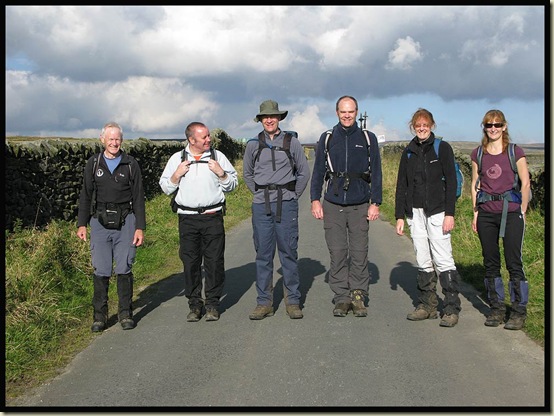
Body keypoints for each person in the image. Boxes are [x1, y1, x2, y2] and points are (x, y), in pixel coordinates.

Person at [310, 95, 382, 318]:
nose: (347, 115)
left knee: (360, 252)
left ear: (357, 112)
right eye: (343, 111)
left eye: (351, 111)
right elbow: (318, 172)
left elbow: (377, 173)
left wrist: (375, 203)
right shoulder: (328, 138)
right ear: (337, 113)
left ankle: (358, 295)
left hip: (360, 203)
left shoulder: (368, 138)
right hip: (333, 203)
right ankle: (342, 296)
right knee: (338, 251)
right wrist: (315, 199)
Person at [159, 122, 238, 322]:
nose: (208, 139)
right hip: (187, 218)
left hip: (212, 217)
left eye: (209, 136)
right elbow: (166, 187)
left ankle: (212, 304)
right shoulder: (177, 159)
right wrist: (176, 175)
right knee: (190, 263)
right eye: (204, 137)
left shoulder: (217, 157)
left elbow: (233, 185)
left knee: (214, 262)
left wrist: (221, 173)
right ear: (191, 140)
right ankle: (194, 305)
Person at [243, 100, 310, 320]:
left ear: (279, 118)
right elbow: (248, 174)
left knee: (288, 252)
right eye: (265, 117)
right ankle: (264, 303)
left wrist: (292, 195)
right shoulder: (253, 144)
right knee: (263, 254)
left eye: (273, 116)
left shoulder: (292, 142)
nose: (269, 120)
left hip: (286, 203)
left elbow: (303, 172)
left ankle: (293, 300)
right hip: (262, 205)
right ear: (261, 119)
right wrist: (260, 194)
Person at [394, 108, 461, 327]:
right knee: (422, 258)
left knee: (443, 258)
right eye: (417, 125)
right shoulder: (409, 151)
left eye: (425, 125)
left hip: (439, 211)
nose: (421, 128)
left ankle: (451, 308)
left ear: (432, 126)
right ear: (413, 127)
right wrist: (400, 216)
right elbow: (401, 185)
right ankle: (427, 305)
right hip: (415, 212)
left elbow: (451, 182)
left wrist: (450, 213)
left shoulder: (442, 148)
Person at [77, 122, 146, 332]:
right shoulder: (94, 163)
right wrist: (82, 223)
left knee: (124, 267)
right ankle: (99, 317)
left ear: (121, 141)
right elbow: (86, 195)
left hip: (126, 220)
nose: (114, 143)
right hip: (99, 221)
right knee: (101, 268)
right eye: (110, 139)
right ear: (102, 140)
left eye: (117, 139)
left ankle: (125, 314)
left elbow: (138, 198)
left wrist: (140, 227)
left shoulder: (131, 164)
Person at [470, 110, 531, 330]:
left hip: (512, 212)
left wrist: (522, 209)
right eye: (489, 125)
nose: (493, 129)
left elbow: (525, 183)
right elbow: (475, 184)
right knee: (490, 261)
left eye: (497, 125)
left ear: (504, 127)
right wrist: (475, 212)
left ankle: (518, 311)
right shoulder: (478, 154)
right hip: (486, 213)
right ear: (484, 127)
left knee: (514, 262)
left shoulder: (515, 152)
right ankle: (496, 309)